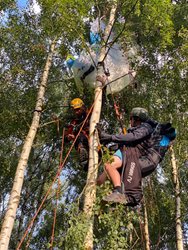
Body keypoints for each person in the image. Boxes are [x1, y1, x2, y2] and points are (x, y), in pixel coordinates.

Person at [97, 107, 176, 207]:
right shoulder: (140, 132)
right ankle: (115, 193)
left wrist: (110, 137)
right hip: (142, 161)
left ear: (136, 118)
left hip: (146, 160)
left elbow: (133, 137)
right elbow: (127, 140)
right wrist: (105, 144)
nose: (130, 121)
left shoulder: (145, 127)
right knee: (107, 168)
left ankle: (123, 193)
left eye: (131, 119)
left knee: (115, 163)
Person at [65, 98, 90, 170]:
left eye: (78, 109)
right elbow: (66, 137)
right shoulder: (74, 122)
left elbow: (99, 105)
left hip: (92, 138)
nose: (76, 112)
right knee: (78, 137)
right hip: (81, 142)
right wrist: (69, 137)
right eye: (75, 110)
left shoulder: (89, 114)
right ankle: (84, 159)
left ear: (83, 107)